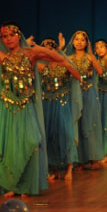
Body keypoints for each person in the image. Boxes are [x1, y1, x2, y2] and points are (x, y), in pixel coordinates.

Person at [0, 16, 70, 197]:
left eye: (12, 35)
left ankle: (27, 185)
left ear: (19, 35)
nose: (8, 39)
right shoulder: (1, 57)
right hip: (7, 108)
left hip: (26, 107)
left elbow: (59, 59)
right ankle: (13, 185)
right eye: (5, 36)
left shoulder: (31, 55)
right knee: (11, 148)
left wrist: (41, 49)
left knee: (32, 141)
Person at [37, 35, 82, 182]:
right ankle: (54, 170)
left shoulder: (64, 63)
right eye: (45, 50)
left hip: (62, 104)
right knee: (50, 135)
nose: (48, 52)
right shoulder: (41, 66)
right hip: (47, 104)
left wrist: (66, 63)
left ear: (56, 50)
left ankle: (69, 168)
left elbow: (78, 76)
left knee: (65, 134)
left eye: (51, 49)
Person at [64, 30, 104, 170]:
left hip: (88, 93)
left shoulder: (90, 57)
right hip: (74, 95)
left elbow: (100, 72)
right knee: (76, 123)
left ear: (87, 43)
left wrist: (92, 56)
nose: (79, 42)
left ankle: (93, 157)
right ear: (72, 42)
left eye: (82, 40)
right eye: (77, 39)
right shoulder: (68, 58)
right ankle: (78, 159)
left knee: (90, 124)